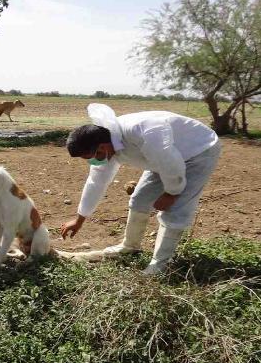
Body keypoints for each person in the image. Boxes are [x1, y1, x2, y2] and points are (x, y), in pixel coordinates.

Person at [60, 103, 221, 274]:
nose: (95, 161)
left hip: (198, 151)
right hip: (163, 159)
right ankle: (130, 247)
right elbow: (96, 182)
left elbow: (170, 164)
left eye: (94, 156)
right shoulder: (106, 146)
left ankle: (159, 266)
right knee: (140, 200)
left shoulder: (144, 132)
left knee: (175, 211)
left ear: (103, 146)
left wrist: (171, 193)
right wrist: (80, 219)